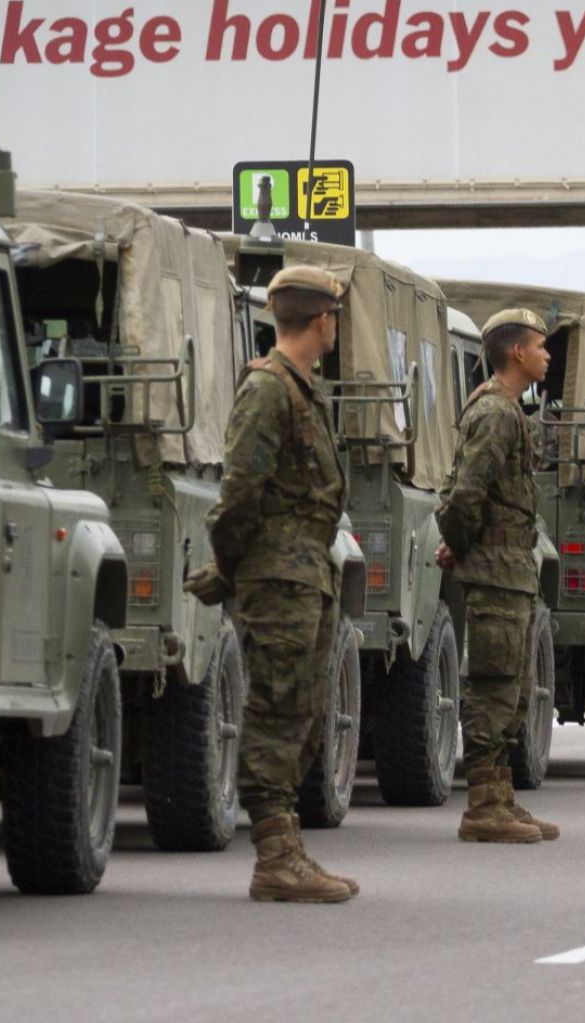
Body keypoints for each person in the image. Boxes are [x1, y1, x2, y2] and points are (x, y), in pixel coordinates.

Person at [191, 265, 359, 901]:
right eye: (335, 315)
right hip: (278, 573)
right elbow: (238, 493)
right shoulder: (268, 390)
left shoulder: (299, 387)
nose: (336, 325)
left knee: (302, 710)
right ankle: (273, 856)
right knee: (276, 707)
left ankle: (287, 847)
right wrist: (233, 568)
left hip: (304, 570)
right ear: (320, 319)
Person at [434, 308, 558, 843]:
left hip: (510, 573)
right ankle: (482, 805)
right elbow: (466, 493)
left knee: (513, 687)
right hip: (494, 572)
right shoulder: (495, 414)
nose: (548, 355)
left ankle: (501, 797)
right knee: (491, 687)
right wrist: (459, 546)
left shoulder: (510, 411)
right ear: (517, 353)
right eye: (541, 346)